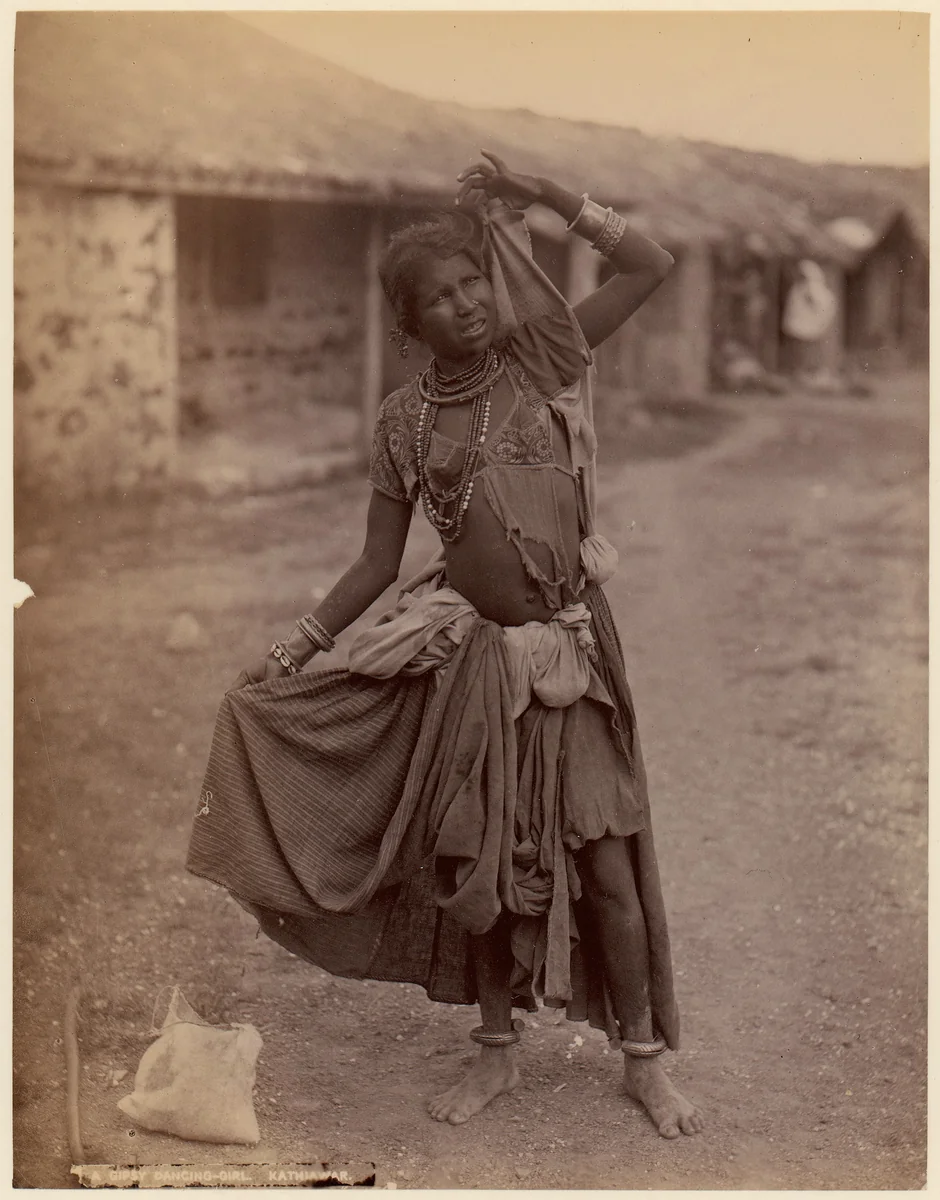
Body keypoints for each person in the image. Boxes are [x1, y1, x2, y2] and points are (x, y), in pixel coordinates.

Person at [187, 151, 702, 1140]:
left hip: (576, 655)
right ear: (407, 324)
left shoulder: (542, 357)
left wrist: (553, 195)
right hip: (476, 665)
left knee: (605, 862)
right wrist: (290, 655)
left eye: (474, 285)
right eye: (442, 297)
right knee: (486, 867)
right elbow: (374, 565)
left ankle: (644, 1063)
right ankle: (496, 1054)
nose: (466, 306)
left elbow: (649, 266)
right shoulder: (400, 427)